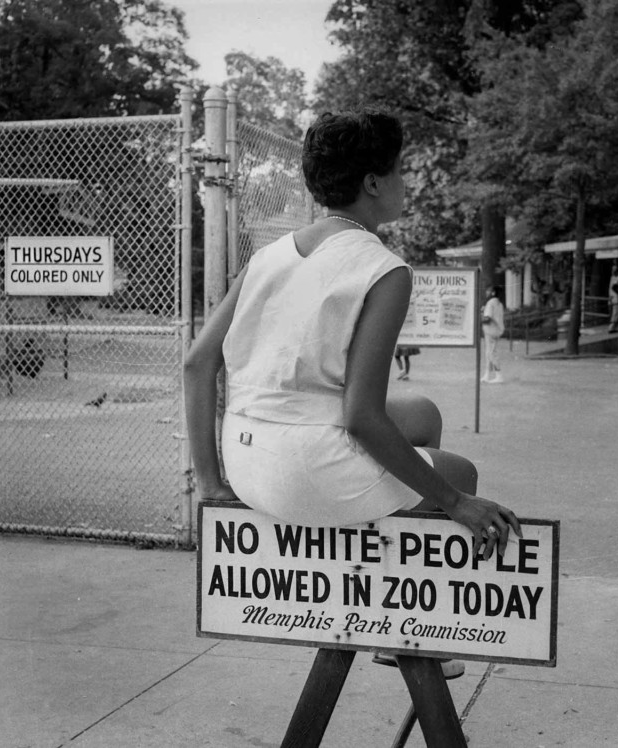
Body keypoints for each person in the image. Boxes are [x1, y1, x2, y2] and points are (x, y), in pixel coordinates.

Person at [184, 108, 520, 562]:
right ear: (373, 183)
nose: (406, 182)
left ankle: (374, 523)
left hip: (246, 459)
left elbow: (197, 363)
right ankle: (369, 594)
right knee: (461, 474)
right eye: (399, 170)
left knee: (423, 414)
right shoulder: (384, 269)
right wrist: (457, 502)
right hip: (307, 467)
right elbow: (361, 417)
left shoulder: (267, 257)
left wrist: (211, 484)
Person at [481, 285, 505, 383]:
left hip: (490, 330)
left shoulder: (490, 303)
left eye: (488, 291)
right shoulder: (499, 303)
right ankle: (487, 375)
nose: (486, 293)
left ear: (493, 293)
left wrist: (480, 316)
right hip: (497, 330)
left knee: (491, 353)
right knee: (489, 352)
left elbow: (487, 318)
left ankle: (499, 375)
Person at [608, 266, 618, 333]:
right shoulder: (617, 278)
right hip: (616, 298)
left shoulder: (613, 277)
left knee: (616, 313)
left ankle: (613, 327)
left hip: (614, 297)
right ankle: (611, 327)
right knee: (616, 313)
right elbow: (613, 288)